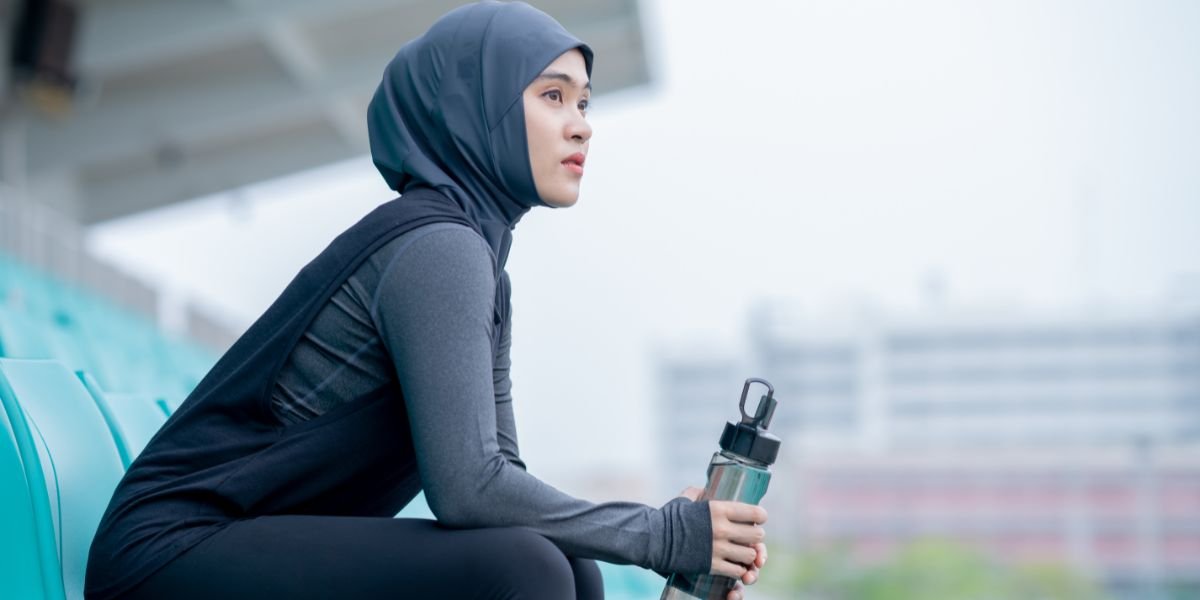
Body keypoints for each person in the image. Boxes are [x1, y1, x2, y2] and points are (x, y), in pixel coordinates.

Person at [84, 2, 767, 599]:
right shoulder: (439, 248)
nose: (582, 126)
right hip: (168, 555)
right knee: (527, 566)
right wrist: (658, 535)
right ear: (478, 108)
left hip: (236, 543)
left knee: (568, 563)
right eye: (553, 96)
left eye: (584, 103)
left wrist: (678, 538)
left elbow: (503, 479)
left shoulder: (479, 265)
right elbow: (469, 489)